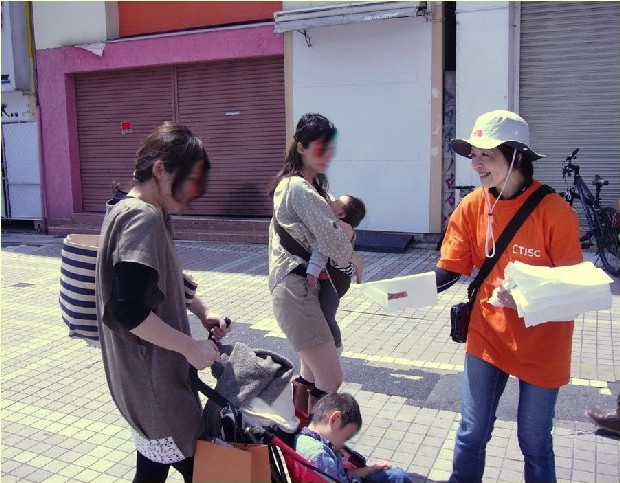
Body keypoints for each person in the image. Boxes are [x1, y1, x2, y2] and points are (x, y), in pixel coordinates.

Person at [434, 110, 583, 483]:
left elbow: (574, 287)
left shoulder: (555, 212)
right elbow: (450, 267)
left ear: (517, 155)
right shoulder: (471, 206)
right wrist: (399, 291)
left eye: (486, 154)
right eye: (473, 154)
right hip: (487, 335)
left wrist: (529, 299)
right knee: (472, 433)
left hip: (543, 342)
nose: (476, 164)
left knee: (533, 441)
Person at [95, 122, 230, 483]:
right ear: (160, 169)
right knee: (203, 471)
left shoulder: (126, 207)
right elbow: (128, 308)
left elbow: (159, 277)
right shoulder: (144, 217)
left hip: (139, 380)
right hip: (155, 381)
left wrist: (201, 310)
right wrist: (190, 348)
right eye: (188, 181)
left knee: (152, 470)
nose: (192, 193)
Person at [269, 113, 355, 413]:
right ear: (301, 147)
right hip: (296, 290)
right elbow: (335, 242)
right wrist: (351, 243)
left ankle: (301, 437)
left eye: (330, 148)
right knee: (331, 378)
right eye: (320, 148)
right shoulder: (298, 188)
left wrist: (344, 233)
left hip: (302, 289)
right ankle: (315, 445)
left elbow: (334, 233)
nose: (326, 155)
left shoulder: (312, 188)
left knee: (309, 372)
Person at [295, 392, 413, 483]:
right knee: (399, 476)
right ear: (335, 419)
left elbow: (342, 476)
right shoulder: (319, 454)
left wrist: (371, 469)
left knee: (396, 475)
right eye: (345, 437)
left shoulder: (303, 439)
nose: (342, 444)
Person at [307, 194, 366, 351]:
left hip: (336, 280)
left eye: (337, 201)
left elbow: (325, 249)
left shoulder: (343, 228)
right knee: (320, 312)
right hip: (329, 277)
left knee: (327, 313)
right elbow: (357, 261)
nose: (332, 201)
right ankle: (325, 344)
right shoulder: (335, 224)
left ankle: (336, 346)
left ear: (341, 214)